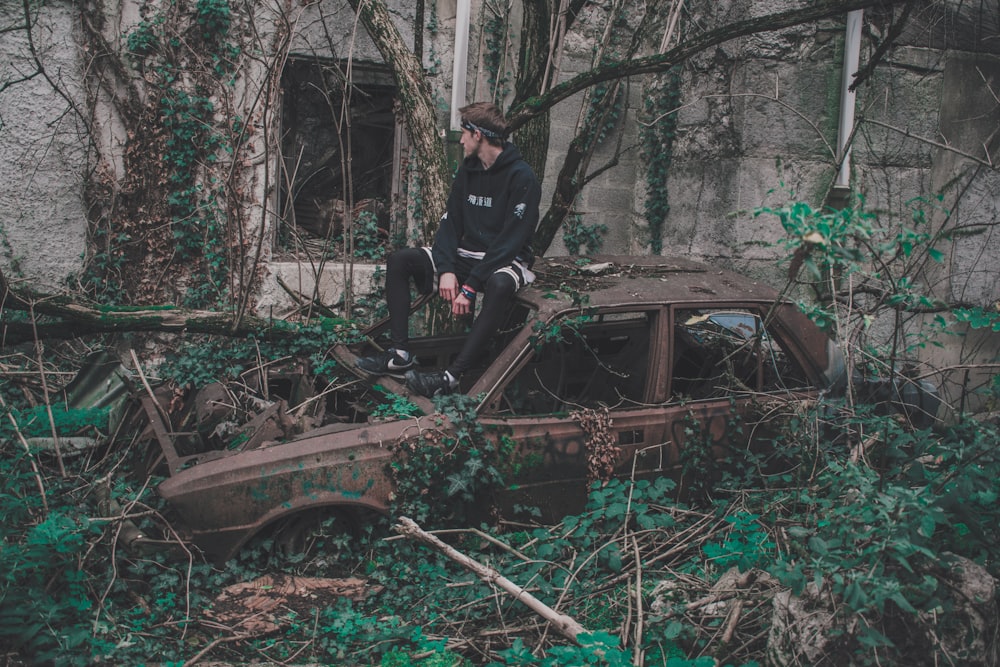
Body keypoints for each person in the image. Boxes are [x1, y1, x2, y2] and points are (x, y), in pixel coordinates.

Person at [356, 102, 541, 397]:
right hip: (465, 254)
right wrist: (445, 270)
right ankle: (399, 355)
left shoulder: (522, 177)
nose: (461, 139)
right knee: (400, 260)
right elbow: (451, 223)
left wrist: (470, 286)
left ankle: (452, 376)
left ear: (479, 135)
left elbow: (511, 240)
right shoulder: (469, 171)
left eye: (465, 133)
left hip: (503, 258)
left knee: (500, 284)